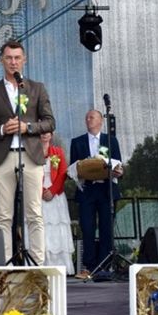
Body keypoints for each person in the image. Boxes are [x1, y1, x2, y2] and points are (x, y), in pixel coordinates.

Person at [0, 40, 55, 265]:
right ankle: (6, 265)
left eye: (17, 58)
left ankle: (38, 265)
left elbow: (50, 122)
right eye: (9, 58)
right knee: (3, 216)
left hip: (30, 156)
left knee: (34, 214)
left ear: (24, 60)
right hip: (3, 158)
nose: (13, 62)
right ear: (1, 61)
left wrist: (27, 127)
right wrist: (3, 129)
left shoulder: (37, 88)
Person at [70, 109, 123, 279]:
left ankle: (104, 267)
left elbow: (118, 164)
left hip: (106, 190)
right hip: (87, 190)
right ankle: (89, 267)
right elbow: (73, 167)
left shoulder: (110, 140)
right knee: (87, 228)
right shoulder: (77, 142)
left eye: (92, 117)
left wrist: (118, 171)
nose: (88, 119)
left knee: (107, 228)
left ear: (101, 121)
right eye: (87, 117)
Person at [40, 132, 74, 274]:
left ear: (51, 134)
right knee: (41, 229)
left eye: (47, 132)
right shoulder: (31, 152)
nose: (44, 135)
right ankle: (42, 264)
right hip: (38, 196)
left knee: (57, 230)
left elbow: (63, 173)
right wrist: (42, 191)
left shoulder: (58, 152)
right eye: (41, 132)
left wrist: (52, 190)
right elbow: (29, 174)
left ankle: (61, 266)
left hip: (56, 196)